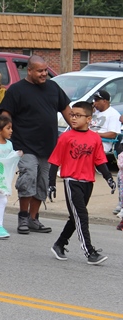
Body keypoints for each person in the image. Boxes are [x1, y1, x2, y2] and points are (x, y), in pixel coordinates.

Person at [0, 55, 72, 234]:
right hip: (25, 145)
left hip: (48, 147)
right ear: (29, 70)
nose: (44, 74)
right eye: (40, 71)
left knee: (43, 183)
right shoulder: (16, 90)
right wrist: (5, 139)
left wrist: (78, 127)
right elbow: (6, 115)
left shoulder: (53, 87)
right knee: (29, 176)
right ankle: (23, 217)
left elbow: (66, 109)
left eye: (46, 70)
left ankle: (33, 219)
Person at [48, 101, 115, 265]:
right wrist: (51, 183)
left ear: (89, 119)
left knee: (75, 217)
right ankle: (89, 252)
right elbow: (55, 161)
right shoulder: (66, 137)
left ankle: (59, 244)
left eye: (78, 115)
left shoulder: (94, 138)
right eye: (72, 115)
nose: (73, 118)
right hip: (72, 181)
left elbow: (100, 161)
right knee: (82, 216)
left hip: (88, 182)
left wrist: (109, 178)